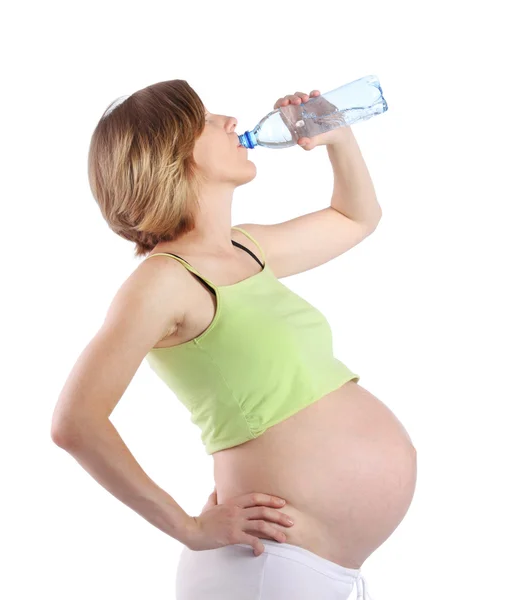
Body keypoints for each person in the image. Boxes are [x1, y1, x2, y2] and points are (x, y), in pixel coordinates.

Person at [51, 79, 417, 600]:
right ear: (169, 155)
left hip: (310, 572)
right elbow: (75, 423)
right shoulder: (163, 281)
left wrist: (336, 134)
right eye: (203, 117)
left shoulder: (248, 249)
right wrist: (189, 528)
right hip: (265, 569)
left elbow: (356, 218)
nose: (228, 120)